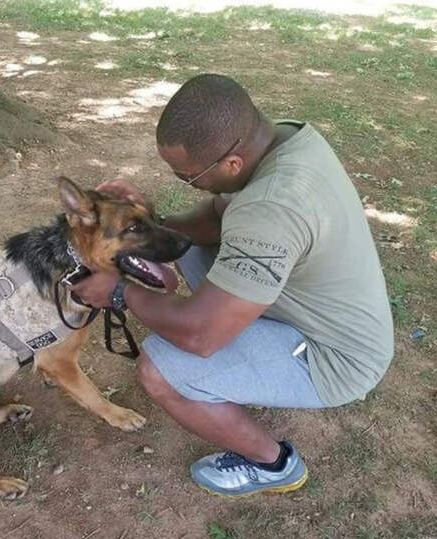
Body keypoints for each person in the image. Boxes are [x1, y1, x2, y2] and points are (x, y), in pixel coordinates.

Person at [70, 74, 393, 498]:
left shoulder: (271, 209)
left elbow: (201, 335)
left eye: (187, 177)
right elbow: (214, 222)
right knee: (181, 249)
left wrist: (119, 293)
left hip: (336, 356)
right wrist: (148, 225)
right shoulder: (284, 140)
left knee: (161, 368)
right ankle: (249, 349)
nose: (186, 183)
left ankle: (273, 464)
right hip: (313, 305)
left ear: (231, 164)